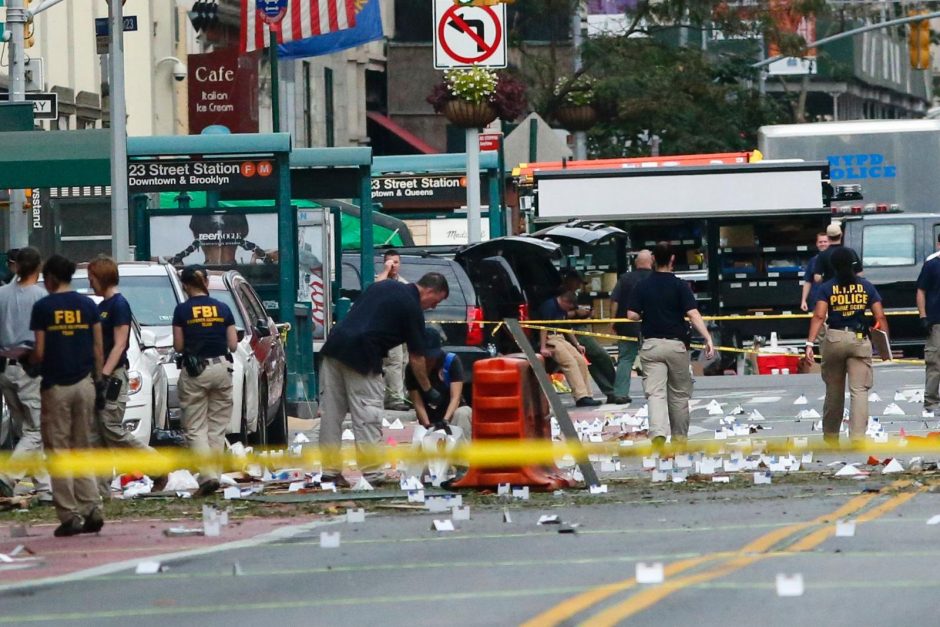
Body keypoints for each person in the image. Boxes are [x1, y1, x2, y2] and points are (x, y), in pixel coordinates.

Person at [318, 273, 450, 487]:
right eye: (435, 301)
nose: (432, 307)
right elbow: (417, 357)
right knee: (367, 415)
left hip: (335, 347)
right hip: (363, 354)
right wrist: (428, 389)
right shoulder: (412, 308)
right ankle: (373, 475)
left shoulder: (383, 286)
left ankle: (330, 472)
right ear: (429, 291)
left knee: (331, 415)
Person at [29, 254, 104, 537]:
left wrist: (30, 361)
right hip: (85, 384)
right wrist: (98, 382)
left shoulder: (44, 307)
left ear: (49, 278)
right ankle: (92, 508)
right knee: (83, 447)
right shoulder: (87, 305)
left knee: (59, 452)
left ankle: (70, 515)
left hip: (56, 387)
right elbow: (98, 348)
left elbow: (39, 350)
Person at [626, 242, 715, 446]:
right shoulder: (680, 285)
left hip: (651, 346)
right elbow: (693, 314)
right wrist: (708, 338)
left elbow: (631, 314)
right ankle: (680, 439)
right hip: (677, 346)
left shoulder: (642, 285)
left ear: (654, 260)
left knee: (655, 393)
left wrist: (643, 313)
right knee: (678, 395)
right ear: (672, 259)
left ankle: (658, 432)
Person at [87, 257, 156, 495]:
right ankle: (101, 490)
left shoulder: (119, 305)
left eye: (92, 278)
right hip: (100, 375)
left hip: (113, 376)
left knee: (111, 426)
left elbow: (119, 344)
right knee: (98, 435)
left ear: (102, 278)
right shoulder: (101, 307)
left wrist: (104, 374)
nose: (90, 282)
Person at [806, 247, 888, 443]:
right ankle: (858, 438)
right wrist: (884, 345)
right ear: (853, 265)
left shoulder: (827, 287)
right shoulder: (866, 286)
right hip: (859, 339)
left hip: (834, 338)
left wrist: (809, 343)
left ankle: (831, 437)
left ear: (833, 266)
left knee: (834, 390)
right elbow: (880, 316)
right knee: (859, 390)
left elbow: (819, 315)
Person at [172, 265, 238, 497]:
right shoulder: (223, 308)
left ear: (185, 285)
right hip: (221, 368)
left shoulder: (182, 311)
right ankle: (215, 477)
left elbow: (179, 346)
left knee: (195, 427)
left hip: (195, 371)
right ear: (206, 283)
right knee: (217, 427)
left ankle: (207, 476)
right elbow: (233, 345)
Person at [0, 248, 51, 501]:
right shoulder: (41, 297)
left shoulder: (0, 295)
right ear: (38, 267)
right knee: (37, 429)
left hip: (4, 368)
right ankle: (8, 476)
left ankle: (44, 489)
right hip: (29, 367)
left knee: (26, 430)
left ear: (16, 266)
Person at [560, 269, 618, 404]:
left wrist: (585, 314)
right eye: (578, 283)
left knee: (592, 363)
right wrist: (577, 313)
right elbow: (561, 316)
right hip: (574, 331)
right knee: (601, 355)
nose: (579, 286)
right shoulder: (562, 294)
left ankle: (610, 391)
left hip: (577, 329)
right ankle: (616, 389)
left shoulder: (573, 294)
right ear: (570, 280)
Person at [405, 327, 472, 441]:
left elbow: (455, 398)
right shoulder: (412, 369)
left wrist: (445, 421)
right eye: (426, 356)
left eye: (432, 356)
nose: (430, 359)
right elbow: (417, 403)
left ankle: (461, 457)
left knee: (463, 413)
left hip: (452, 414)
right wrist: (427, 425)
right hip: (430, 418)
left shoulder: (451, 361)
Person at [538, 291, 602, 407]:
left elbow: (567, 326)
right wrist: (543, 347)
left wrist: (576, 344)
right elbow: (543, 327)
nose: (569, 310)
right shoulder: (549, 307)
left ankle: (587, 394)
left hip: (560, 336)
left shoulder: (562, 309)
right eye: (569, 307)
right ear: (564, 301)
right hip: (550, 337)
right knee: (569, 362)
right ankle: (580, 396)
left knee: (580, 361)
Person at [609, 250, 653, 404]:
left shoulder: (625, 279)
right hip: (651, 325)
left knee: (625, 359)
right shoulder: (654, 278)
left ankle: (620, 393)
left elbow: (614, 300)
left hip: (627, 324)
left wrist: (613, 320)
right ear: (651, 262)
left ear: (636, 263)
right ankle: (654, 392)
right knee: (653, 358)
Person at [376, 249, 410, 411]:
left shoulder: (403, 283)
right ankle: (396, 399)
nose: (393, 265)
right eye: (390, 262)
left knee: (403, 362)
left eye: (396, 262)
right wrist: (386, 270)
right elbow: (376, 288)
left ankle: (396, 395)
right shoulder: (381, 279)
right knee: (394, 363)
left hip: (402, 329)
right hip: (388, 330)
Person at [915, 234, 940, 413]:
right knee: (934, 363)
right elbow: (921, 291)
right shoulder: (932, 265)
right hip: (936, 321)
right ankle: (931, 403)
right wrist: (923, 316)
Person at [800, 232, 830, 312]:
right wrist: (803, 300)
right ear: (816, 244)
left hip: (833, 301)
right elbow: (808, 282)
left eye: (825, 241)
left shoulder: (836, 259)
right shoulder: (813, 261)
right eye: (820, 242)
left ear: (830, 242)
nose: (823, 244)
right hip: (816, 301)